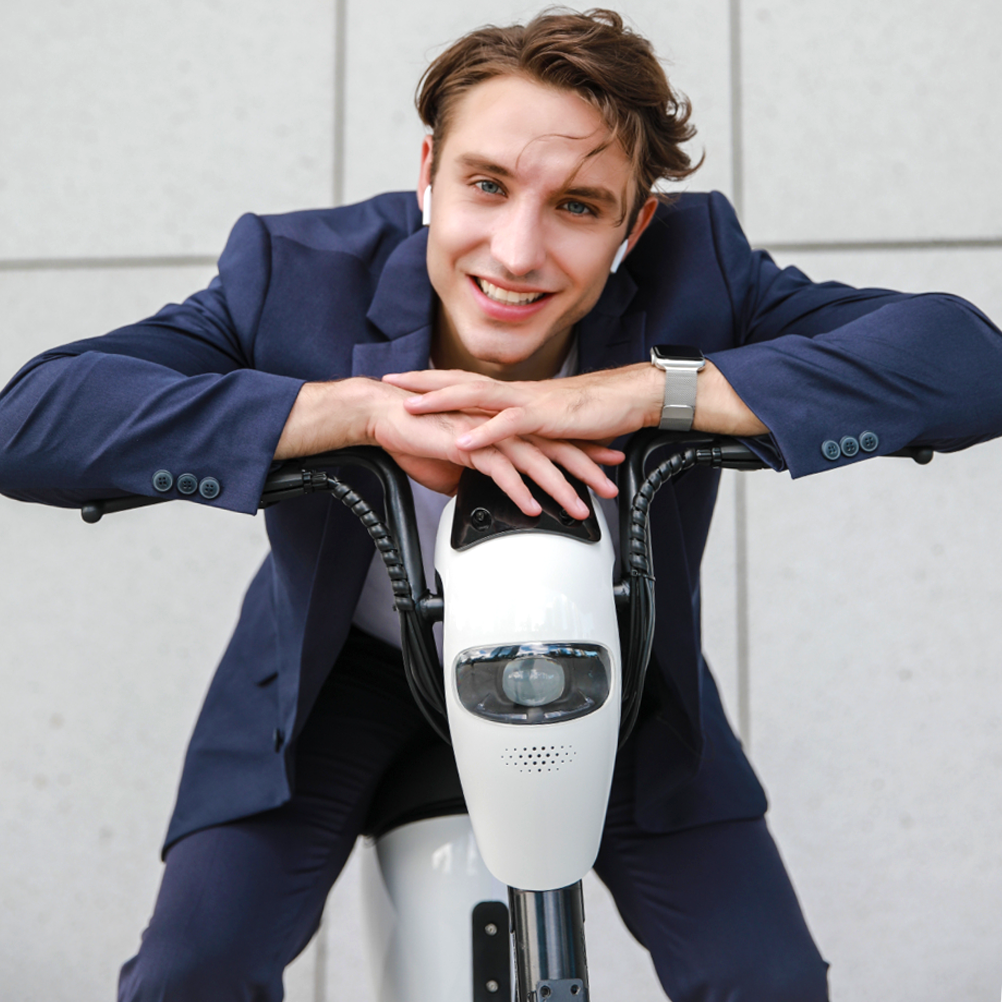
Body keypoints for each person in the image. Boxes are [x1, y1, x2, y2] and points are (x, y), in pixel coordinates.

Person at [1, 8, 1001, 1001]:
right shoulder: (290, 277)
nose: (517, 254)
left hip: (615, 661)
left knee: (769, 982)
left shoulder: (701, 274)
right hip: (337, 675)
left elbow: (967, 363)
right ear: (428, 173)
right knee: (190, 976)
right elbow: (32, 422)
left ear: (635, 223)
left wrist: (649, 390)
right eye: (486, 185)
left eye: (578, 206)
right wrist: (353, 412)